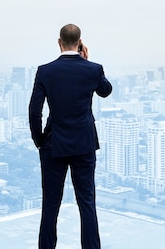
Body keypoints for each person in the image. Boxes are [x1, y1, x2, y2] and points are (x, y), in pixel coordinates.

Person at [29, 23, 112, 249]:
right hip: (84, 144)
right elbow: (106, 91)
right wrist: (86, 62)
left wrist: (40, 140)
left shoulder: (45, 71)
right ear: (80, 43)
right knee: (87, 203)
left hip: (53, 144)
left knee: (50, 206)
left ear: (59, 42)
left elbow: (34, 110)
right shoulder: (93, 69)